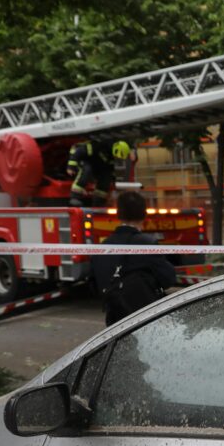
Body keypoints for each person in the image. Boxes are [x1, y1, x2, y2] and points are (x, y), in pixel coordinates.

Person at [92, 191, 176, 326]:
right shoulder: (147, 244)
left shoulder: (103, 246)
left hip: (115, 323)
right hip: (145, 319)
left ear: (118, 214)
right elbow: (169, 279)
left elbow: (99, 283)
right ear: (144, 214)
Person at [68, 140, 130, 206]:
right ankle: (75, 197)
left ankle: (99, 201)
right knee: (87, 170)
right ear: (115, 151)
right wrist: (71, 167)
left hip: (97, 166)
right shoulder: (99, 146)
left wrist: (114, 180)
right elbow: (79, 152)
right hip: (83, 159)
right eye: (117, 157)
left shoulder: (113, 157)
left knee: (106, 177)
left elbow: (111, 170)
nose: (117, 159)